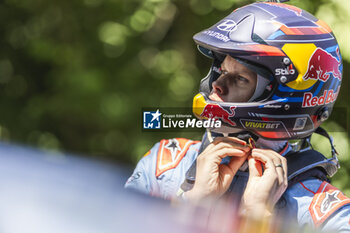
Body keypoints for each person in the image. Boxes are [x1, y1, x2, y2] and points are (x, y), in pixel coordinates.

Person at [125, 1, 350, 232]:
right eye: (221, 71)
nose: (217, 87)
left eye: (240, 78)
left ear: (287, 95)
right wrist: (192, 204)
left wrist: (257, 218)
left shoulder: (325, 214)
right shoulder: (164, 165)